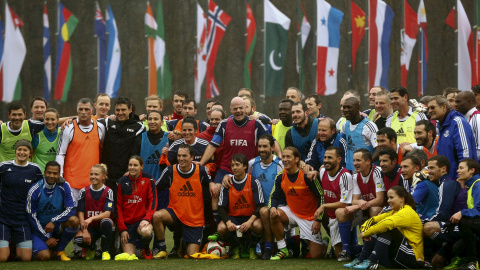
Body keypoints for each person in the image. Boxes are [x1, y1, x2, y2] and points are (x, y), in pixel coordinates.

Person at [220, 134, 284, 259]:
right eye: (259, 146)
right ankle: (250, 246)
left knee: (267, 214)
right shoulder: (252, 163)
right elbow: (241, 177)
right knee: (260, 217)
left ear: (272, 147)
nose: (261, 149)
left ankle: (274, 246)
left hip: (276, 206)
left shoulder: (280, 164)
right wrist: (226, 176)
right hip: (256, 208)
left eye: (265, 146)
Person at [199, 97, 280, 186]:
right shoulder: (224, 124)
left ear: (245, 108)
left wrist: (280, 155)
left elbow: (271, 140)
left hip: (247, 169)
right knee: (216, 190)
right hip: (226, 168)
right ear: (230, 109)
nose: (238, 111)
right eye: (235, 108)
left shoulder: (256, 124)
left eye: (241, 108)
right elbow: (212, 146)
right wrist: (201, 163)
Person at [152, 145, 213, 258]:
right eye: (179, 156)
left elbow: (211, 184)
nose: (181, 158)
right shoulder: (170, 170)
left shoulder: (202, 171)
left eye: (184, 156)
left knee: (192, 255)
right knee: (157, 216)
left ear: (192, 157)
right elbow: (155, 187)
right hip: (175, 213)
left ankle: (181, 243)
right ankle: (162, 248)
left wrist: (213, 184)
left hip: (194, 218)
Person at [269, 147, 327, 260]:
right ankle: (283, 249)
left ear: (297, 159)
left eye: (288, 157)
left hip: (309, 216)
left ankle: (324, 242)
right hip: (292, 211)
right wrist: (272, 208)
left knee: (316, 256)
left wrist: (318, 219)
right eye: (283, 157)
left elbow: (321, 196)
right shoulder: (281, 176)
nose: (285, 159)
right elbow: (274, 196)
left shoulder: (307, 176)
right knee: (273, 214)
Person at [357, 186, 426, 269]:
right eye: (388, 198)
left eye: (391, 197)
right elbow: (373, 220)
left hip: (413, 259)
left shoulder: (407, 212)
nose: (388, 200)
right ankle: (362, 259)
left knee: (387, 229)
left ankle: (372, 261)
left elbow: (386, 224)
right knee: (377, 225)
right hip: (398, 257)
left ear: (402, 199)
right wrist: (365, 231)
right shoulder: (395, 211)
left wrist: (367, 233)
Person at [0, 140, 43, 262]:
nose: (22, 152)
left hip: (22, 218)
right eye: (19, 149)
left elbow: (41, 188)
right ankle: (7, 248)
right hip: (3, 217)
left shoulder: (35, 169)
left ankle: (13, 247)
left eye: (25, 150)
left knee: (25, 258)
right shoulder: (3, 167)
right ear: (15, 151)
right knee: (2, 258)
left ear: (30, 152)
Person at [26, 161, 79, 261]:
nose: (51, 176)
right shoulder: (35, 189)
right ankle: (40, 248)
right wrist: (46, 237)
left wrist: (54, 221)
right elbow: (31, 216)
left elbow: (71, 208)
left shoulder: (64, 186)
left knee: (74, 220)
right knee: (44, 256)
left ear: (59, 174)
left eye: (55, 173)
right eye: (49, 172)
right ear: (44, 173)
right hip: (39, 230)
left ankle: (59, 250)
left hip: (55, 226)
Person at [56, 98, 106, 201]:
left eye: (86, 109)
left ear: (92, 111)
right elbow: (60, 153)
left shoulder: (100, 127)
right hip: (72, 182)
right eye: (81, 109)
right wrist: (60, 175)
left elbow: (102, 150)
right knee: (72, 215)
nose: (83, 112)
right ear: (77, 110)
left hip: (93, 182)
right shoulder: (69, 128)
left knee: (89, 214)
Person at [343, 149, 385, 268]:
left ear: (368, 162)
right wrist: (358, 203)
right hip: (367, 207)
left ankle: (368, 255)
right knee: (342, 212)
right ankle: (347, 250)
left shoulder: (377, 172)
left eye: (358, 160)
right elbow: (354, 199)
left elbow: (380, 200)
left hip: (382, 210)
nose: (355, 163)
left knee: (374, 209)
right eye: (354, 160)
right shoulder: (356, 176)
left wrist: (358, 204)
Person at [217, 153, 264, 259]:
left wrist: (249, 222)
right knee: (221, 228)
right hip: (233, 217)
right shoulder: (227, 183)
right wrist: (228, 222)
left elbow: (260, 205)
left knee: (258, 226)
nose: (234, 168)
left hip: (250, 217)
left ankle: (251, 247)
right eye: (232, 165)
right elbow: (221, 207)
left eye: (237, 165)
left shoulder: (253, 181)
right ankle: (235, 247)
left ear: (245, 166)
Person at [315, 147, 354, 261]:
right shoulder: (322, 172)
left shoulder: (345, 176)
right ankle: (333, 244)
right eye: (325, 157)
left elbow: (345, 203)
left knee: (339, 255)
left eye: (330, 158)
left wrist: (323, 206)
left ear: (339, 159)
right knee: (337, 253)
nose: (326, 160)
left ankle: (358, 250)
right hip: (331, 214)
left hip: (344, 213)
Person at [115, 156, 157, 260]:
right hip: (127, 225)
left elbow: (153, 201)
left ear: (142, 166)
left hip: (141, 221)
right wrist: (122, 229)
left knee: (146, 231)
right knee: (130, 256)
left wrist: (147, 219)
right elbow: (117, 207)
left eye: (135, 165)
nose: (132, 167)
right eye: (130, 165)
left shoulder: (149, 179)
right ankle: (134, 247)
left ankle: (145, 247)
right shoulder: (121, 182)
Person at [99, 97, 145, 190]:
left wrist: (129, 170)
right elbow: (87, 121)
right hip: (107, 176)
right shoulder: (108, 123)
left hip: (126, 176)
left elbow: (136, 152)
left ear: (130, 109)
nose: (120, 113)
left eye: (123, 110)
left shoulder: (138, 128)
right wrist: (71, 120)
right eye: (117, 110)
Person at [428, 95, 477, 179]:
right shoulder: (441, 126)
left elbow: (465, 153)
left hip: (459, 180)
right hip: (448, 179)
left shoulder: (457, 122)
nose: (429, 111)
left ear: (443, 106)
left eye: (432, 107)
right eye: (428, 108)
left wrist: (462, 177)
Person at [74, 164, 114, 261]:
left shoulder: (108, 191)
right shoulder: (83, 191)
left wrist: (91, 218)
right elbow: (81, 212)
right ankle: (91, 248)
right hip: (89, 227)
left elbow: (107, 213)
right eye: (91, 174)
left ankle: (105, 251)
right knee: (79, 239)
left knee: (106, 222)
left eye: (96, 174)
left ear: (103, 176)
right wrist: (84, 230)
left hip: (102, 226)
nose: (93, 177)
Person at [449, 158, 480, 270]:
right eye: (458, 168)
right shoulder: (471, 185)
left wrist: (462, 213)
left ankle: (473, 263)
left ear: (472, 170)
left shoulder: (478, 184)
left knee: (463, 222)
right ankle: (467, 262)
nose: (457, 170)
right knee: (458, 247)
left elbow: (479, 209)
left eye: (461, 168)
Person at [140, 110, 169, 209]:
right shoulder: (140, 137)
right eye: (150, 119)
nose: (152, 121)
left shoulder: (170, 138)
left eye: (156, 119)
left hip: (162, 188)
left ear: (162, 122)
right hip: (144, 187)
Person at [341, 97, 378, 171]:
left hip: (367, 172)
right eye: (344, 107)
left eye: (349, 107)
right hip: (350, 170)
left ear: (358, 108)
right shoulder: (345, 125)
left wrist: (367, 163)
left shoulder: (369, 126)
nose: (345, 110)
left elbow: (379, 148)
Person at [404, 156, 439, 220]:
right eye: (401, 167)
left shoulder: (422, 184)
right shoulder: (415, 183)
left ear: (417, 168)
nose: (402, 170)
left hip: (429, 219)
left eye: (406, 167)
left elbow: (409, 205)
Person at [32, 108, 61, 173]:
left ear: (57, 120)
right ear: (43, 119)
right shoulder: (36, 136)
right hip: (39, 176)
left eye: (53, 119)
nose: (50, 122)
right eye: (47, 119)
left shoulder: (62, 134)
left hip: (55, 176)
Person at [455, 90, 480, 157]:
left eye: (458, 102)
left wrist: (468, 163)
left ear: (469, 102)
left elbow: (478, 149)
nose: (455, 105)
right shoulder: (466, 118)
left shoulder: (476, 118)